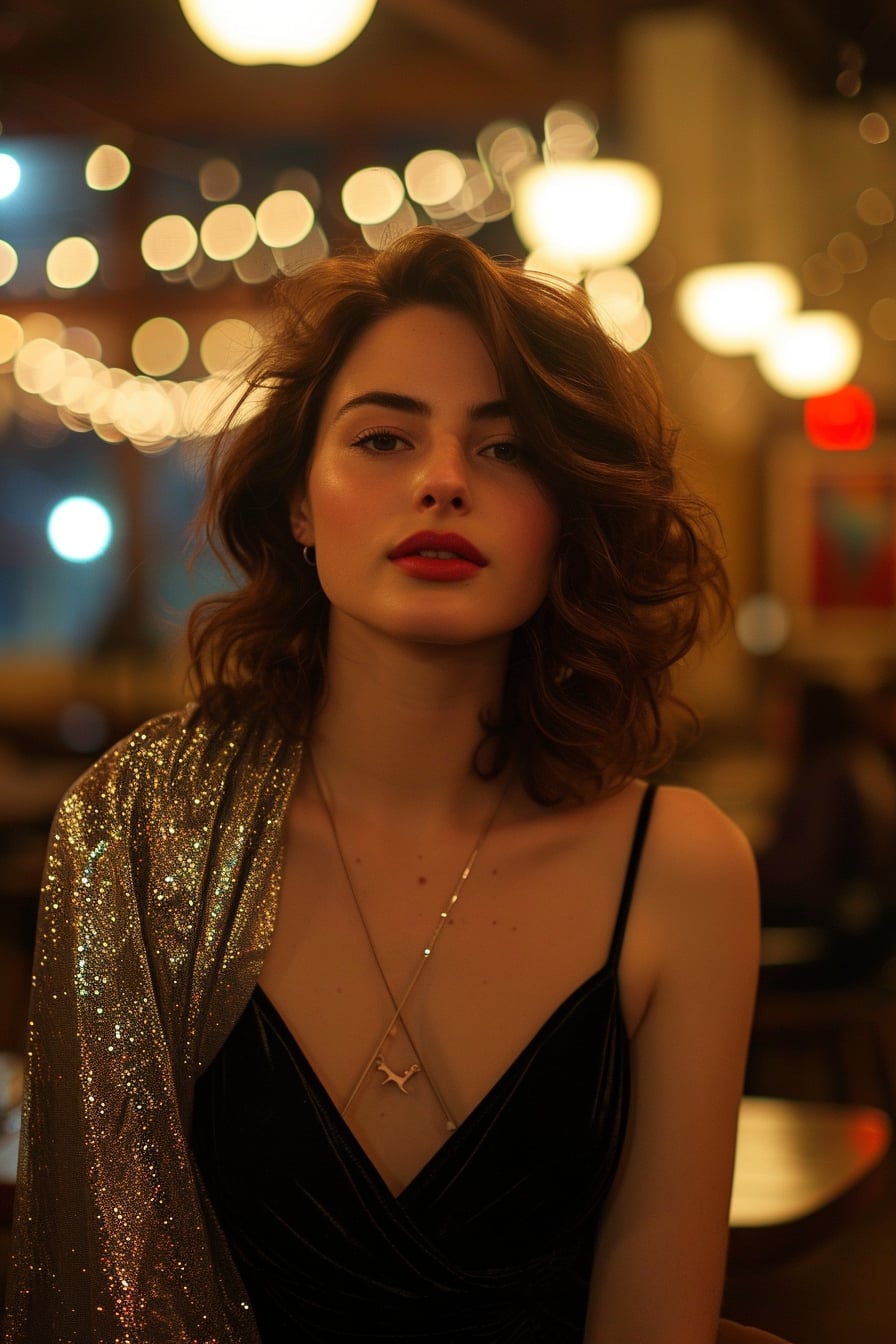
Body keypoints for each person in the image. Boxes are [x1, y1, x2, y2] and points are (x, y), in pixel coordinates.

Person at [4, 228, 770, 1342]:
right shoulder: (137, 831)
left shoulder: (679, 871)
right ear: (301, 507)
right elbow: (100, 1302)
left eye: (505, 452)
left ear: (567, 524)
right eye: (382, 438)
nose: (443, 480)